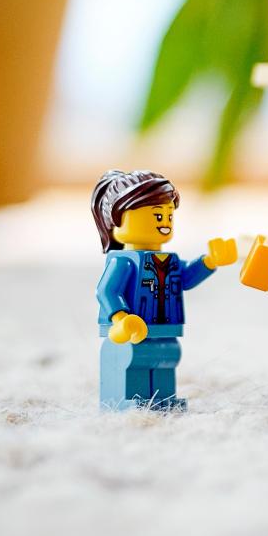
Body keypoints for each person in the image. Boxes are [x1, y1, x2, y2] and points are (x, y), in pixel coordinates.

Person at [92, 170, 238, 410]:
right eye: (158, 215)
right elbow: (107, 291)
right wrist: (121, 318)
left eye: (169, 216)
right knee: (133, 362)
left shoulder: (168, 260)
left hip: (164, 329)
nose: (165, 222)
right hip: (130, 331)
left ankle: (164, 398)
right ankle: (129, 399)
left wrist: (210, 261)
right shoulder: (123, 261)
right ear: (118, 219)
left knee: (165, 361)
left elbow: (185, 278)